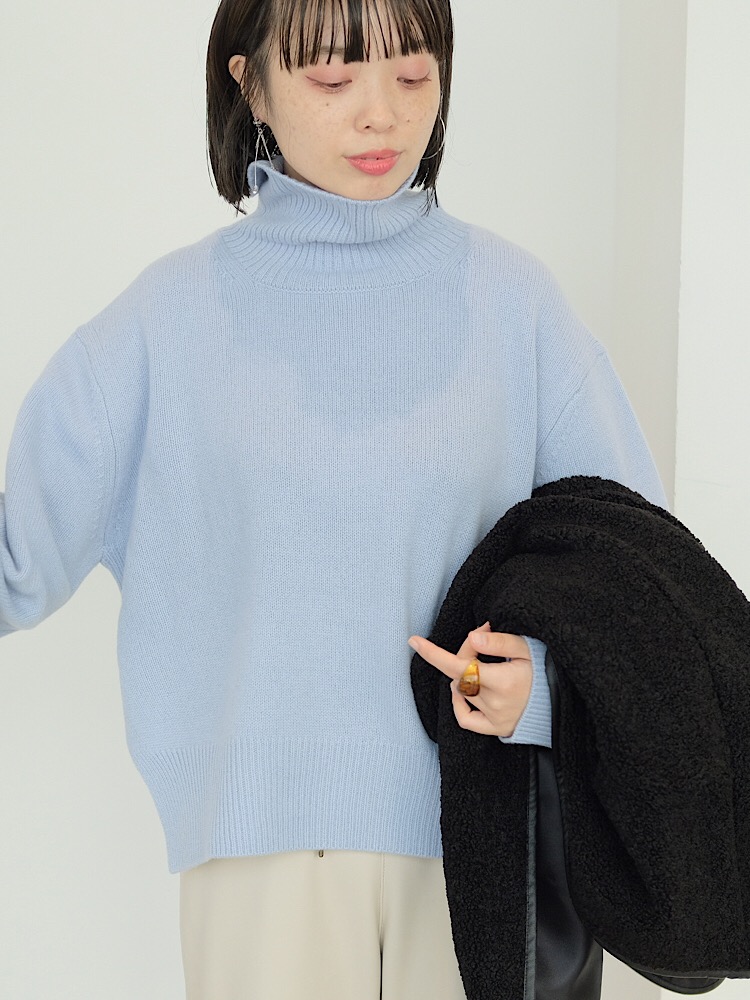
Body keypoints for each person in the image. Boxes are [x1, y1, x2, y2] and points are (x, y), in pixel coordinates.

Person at [0, 1, 667, 998]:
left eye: (413, 73)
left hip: (483, 834)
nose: (381, 113)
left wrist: (542, 688)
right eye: (331, 77)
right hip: (259, 861)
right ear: (251, 85)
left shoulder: (517, 305)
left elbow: (642, 588)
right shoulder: (159, 323)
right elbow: (17, 564)